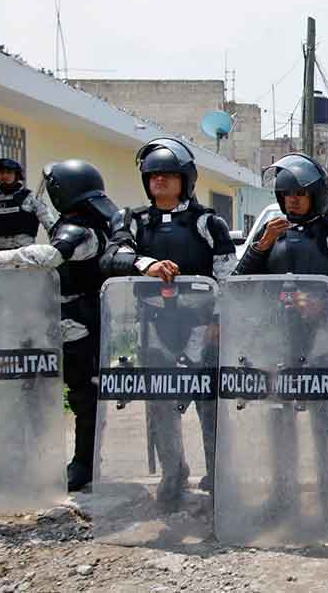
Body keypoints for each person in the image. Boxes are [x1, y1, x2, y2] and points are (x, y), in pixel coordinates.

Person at [233, 152, 328, 528]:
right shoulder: (270, 234)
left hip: (320, 344)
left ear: (317, 195)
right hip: (277, 343)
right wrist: (261, 245)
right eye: (286, 193)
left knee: (322, 420)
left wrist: (323, 304)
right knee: (279, 420)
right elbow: (240, 283)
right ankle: (281, 494)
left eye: (300, 193)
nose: (292, 199)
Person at [0, 160, 117, 492]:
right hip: (55, 321)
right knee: (34, 390)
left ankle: (84, 464)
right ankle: (27, 459)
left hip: (78, 324)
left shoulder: (79, 230)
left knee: (83, 396)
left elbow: (48, 256)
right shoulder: (88, 223)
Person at [100, 137, 236, 496]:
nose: (159, 179)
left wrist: (220, 323)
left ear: (184, 178)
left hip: (202, 329)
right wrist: (147, 264)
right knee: (160, 407)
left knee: (210, 406)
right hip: (155, 328)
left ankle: (217, 475)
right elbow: (111, 257)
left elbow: (227, 276)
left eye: (167, 174)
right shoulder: (132, 221)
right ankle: (172, 474)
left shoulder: (208, 222)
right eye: (153, 174)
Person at [0, 158, 58, 260]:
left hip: (24, 256)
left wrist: (58, 245)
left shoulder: (30, 197)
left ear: (16, 175)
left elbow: (50, 224)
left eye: (9, 172)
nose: (4, 176)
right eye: (1, 173)